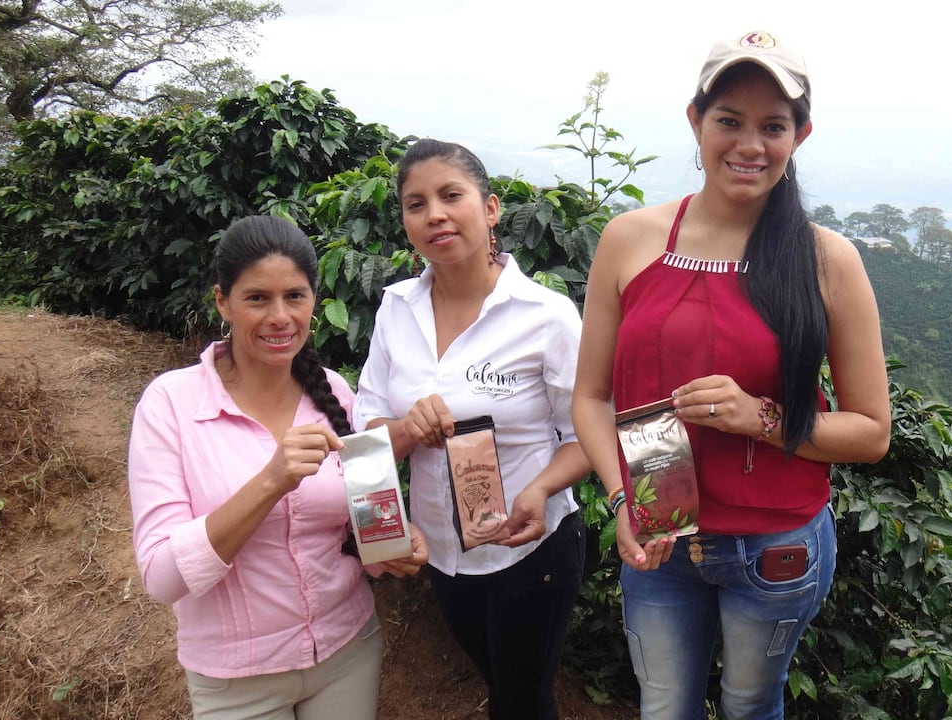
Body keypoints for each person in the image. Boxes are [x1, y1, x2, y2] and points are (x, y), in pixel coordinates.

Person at [571, 30, 892, 720]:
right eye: (729, 121)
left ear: (799, 136)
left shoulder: (826, 259)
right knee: (663, 707)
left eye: (772, 126)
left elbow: (870, 433)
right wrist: (623, 501)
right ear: (696, 120)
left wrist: (762, 417)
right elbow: (592, 396)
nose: (750, 144)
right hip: (660, 531)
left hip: (775, 544)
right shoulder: (629, 238)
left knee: (750, 705)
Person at [128, 215, 428, 720]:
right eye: (256, 298)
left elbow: (361, 523)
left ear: (314, 299)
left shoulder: (332, 390)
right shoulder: (170, 405)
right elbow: (162, 578)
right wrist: (270, 481)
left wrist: (395, 546)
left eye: (295, 296)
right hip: (236, 680)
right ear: (222, 301)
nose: (279, 316)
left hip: (347, 650)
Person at [352, 138, 589, 720]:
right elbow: (364, 438)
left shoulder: (546, 315)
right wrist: (408, 430)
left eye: (450, 195)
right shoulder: (394, 309)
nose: (433, 213)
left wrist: (540, 489)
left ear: (490, 209)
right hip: (440, 550)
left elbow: (588, 434)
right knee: (496, 681)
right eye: (415, 203)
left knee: (520, 700)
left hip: (531, 548)